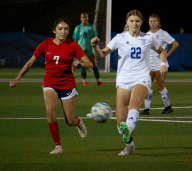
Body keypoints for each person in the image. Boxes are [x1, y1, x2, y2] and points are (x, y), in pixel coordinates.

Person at [9, 18, 93, 154]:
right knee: (50, 112)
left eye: (66, 29)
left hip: (67, 84)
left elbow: (89, 63)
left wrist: (80, 63)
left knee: (70, 121)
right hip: (50, 83)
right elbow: (30, 62)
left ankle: (78, 122)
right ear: (54, 31)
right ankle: (58, 146)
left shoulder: (73, 45)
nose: (63, 31)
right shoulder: (46, 44)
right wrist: (17, 78)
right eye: (60, 29)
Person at [91, 9, 168, 155]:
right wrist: (95, 46)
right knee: (120, 123)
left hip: (142, 78)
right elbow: (102, 54)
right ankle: (130, 146)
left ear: (141, 22)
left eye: (137, 21)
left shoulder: (148, 38)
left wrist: (163, 65)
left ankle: (129, 130)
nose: (134, 23)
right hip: (123, 80)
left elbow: (162, 51)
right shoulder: (119, 38)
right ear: (127, 22)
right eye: (132, 21)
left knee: (134, 105)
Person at [140, 14, 179, 115]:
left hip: (160, 64)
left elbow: (175, 44)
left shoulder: (163, 33)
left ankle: (168, 107)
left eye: (154, 21)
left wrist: (166, 55)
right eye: (150, 21)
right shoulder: (147, 34)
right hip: (149, 64)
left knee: (160, 87)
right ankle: (147, 109)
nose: (152, 23)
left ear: (158, 22)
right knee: (148, 86)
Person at [72, 13, 105, 86]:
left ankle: (99, 81)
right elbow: (75, 40)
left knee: (94, 65)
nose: (84, 18)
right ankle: (84, 81)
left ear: (88, 18)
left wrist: (96, 48)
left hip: (90, 49)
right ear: (80, 18)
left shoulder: (91, 27)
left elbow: (96, 38)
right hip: (81, 49)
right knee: (83, 65)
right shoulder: (78, 28)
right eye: (83, 17)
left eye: (86, 17)